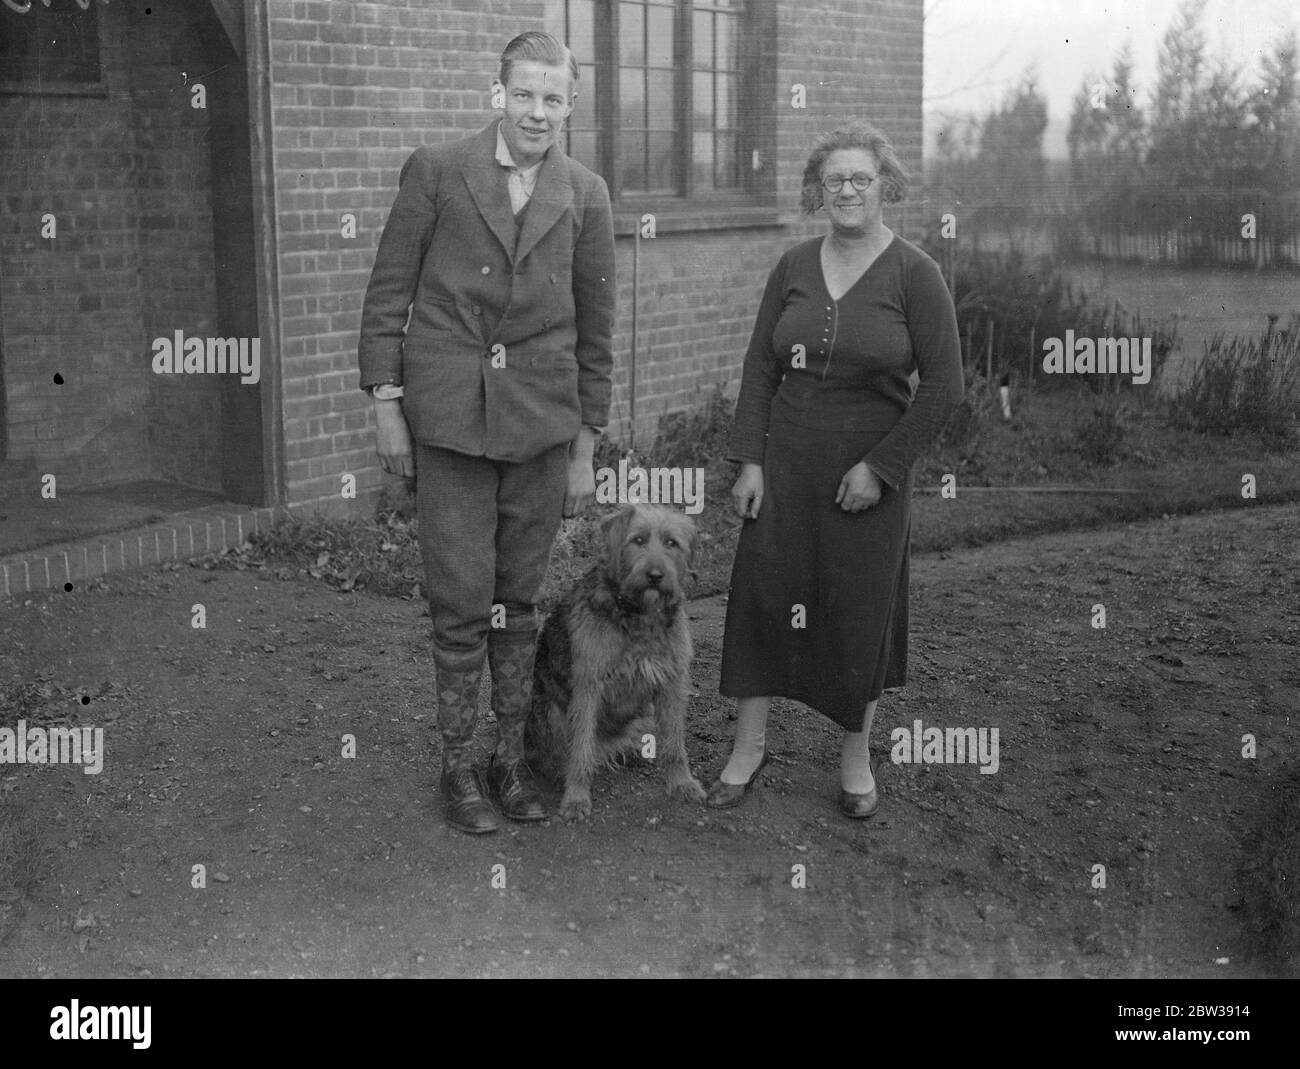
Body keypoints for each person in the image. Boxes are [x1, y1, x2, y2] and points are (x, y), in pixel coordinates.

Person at [357, 32, 615, 834]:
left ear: (570, 105)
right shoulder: (437, 171)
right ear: (497, 94)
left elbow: (597, 334)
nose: (538, 111)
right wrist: (387, 404)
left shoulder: (587, 194)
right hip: (453, 425)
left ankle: (508, 760)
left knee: (517, 600)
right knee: (460, 600)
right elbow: (387, 295)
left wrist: (584, 449)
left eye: (554, 97)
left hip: (540, 429)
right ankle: (458, 765)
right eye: (525, 94)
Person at [711, 122, 963, 818]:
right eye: (834, 181)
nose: (847, 191)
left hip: (867, 477)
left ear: (887, 185)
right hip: (787, 464)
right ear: (817, 191)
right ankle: (747, 747)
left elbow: (946, 384)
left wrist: (881, 469)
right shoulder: (792, 265)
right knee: (765, 597)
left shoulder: (916, 274)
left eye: (861, 178)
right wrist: (750, 462)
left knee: (858, 610)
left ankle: (854, 758)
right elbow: (761, 368)